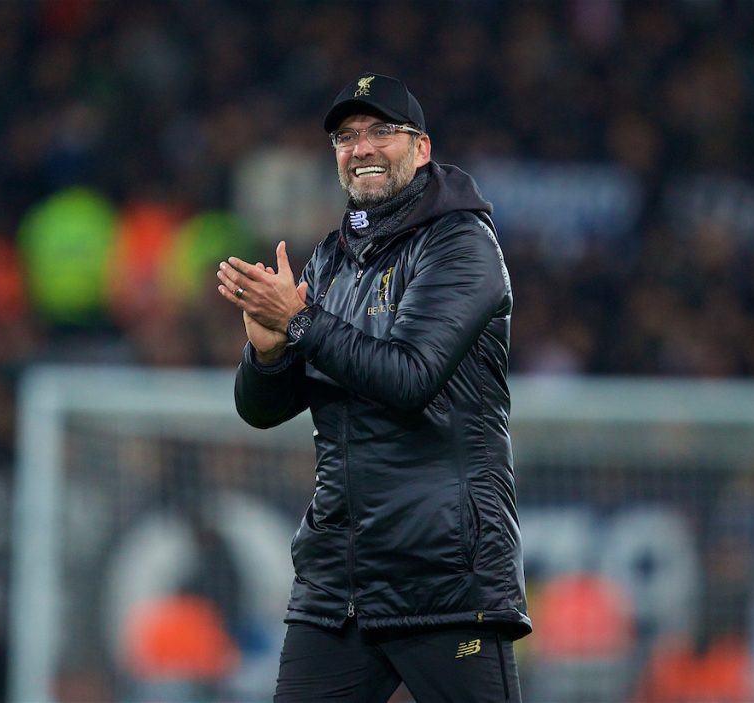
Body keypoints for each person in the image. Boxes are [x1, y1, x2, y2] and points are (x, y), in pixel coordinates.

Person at [217, 72, 530, 702]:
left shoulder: (461, 244)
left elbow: (410, 377)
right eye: (345, 137)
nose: (360, 147)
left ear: (421, 148)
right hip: (339, 582)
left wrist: (300, 321)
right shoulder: (331, 260)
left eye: (380, 131)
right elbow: (262, 410)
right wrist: (267, 349)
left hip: (442, 577)